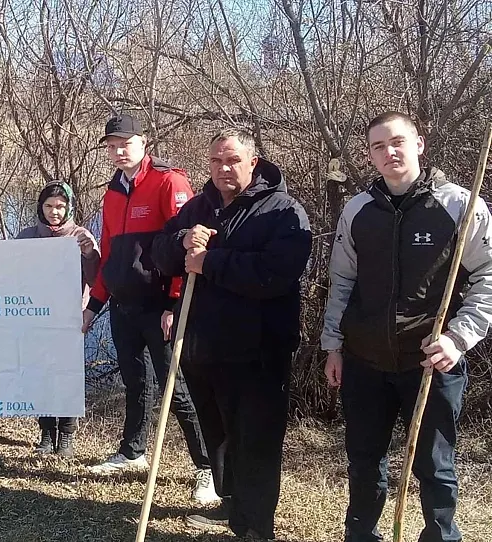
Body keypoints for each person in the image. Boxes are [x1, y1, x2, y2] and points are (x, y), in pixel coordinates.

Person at [322, 111, 492, 542]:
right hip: (365, 359)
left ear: (419, 144)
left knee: (434, 464)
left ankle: (440, 536)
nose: (389, 152)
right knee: (363, 460)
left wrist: (458, 338)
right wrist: (333, 346)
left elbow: (489, 275)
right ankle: (361, 535)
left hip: (431, 360)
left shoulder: (459, 204)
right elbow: (342, 280)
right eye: (378, 147)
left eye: (397, 141)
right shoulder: (359, 210)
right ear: (370, 156)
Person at [154, 128, 312, 540]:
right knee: (220, 436)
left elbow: (276, 274)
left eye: (232, 160)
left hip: (258, 350)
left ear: (253, 162)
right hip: (204, 346)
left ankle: (258, 526)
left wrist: (211, 262)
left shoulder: (283, 210)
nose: (223, 169)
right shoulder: (200, 206)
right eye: (216, 161)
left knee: (256, 439)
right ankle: (233, 508)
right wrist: (182, 240)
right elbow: (158, 252)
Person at [82, 113, 218, 505]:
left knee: (177, 389)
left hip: (161, 307)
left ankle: (207, 468)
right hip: (124, 306)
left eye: (125, 143)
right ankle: (132, 452)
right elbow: (109, 254)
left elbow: (185, 245)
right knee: (135, 383)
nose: (118, 151)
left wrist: (175, 302)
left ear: (144, 142)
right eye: (111, 146)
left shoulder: (168, 181)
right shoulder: (111, 192)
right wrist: (95, 304)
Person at [16, 180, 100, 457]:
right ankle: (45, 432)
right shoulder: (27, 237)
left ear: (69, 208)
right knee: (40, 375)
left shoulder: (81, 236)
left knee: (65, 376)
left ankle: (66, 435)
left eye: (60, 207)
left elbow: (97, 279)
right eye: (49, 206)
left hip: (70, 318)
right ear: (40, 207)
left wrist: (89, 255)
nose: (54, 212)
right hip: (33, 317)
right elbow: (11, 274)